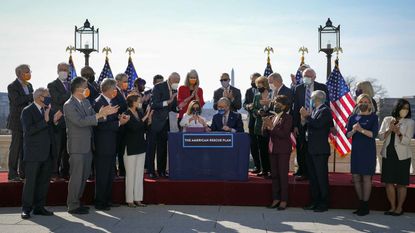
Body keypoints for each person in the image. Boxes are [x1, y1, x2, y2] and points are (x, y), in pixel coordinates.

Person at [64, 77, 118, 215]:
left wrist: (104, 114)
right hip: (77, 147)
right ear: (78, 89)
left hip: (88, 146)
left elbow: (94, 117)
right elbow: (80, 122)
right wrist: (100, 115)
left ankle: (78, 202)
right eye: (85, 86)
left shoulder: (86, 102)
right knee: (76, 177)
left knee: (83, 177)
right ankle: (72, 205)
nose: (88, 89)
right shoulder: (68, 105)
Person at [20, 88, 62, 219]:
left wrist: (54, 121)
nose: (49, 97)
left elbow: (52, 130)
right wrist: (44, 120)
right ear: (39, 97)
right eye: (47, 95)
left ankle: (39, 207)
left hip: (48, 153)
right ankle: (26, 209)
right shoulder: (27, 111)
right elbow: (29, 131)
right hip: (34, 153)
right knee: (31, 182)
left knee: (44, 182)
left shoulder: (47, 110)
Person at [93, 78, 130, 210]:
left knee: (109, 174)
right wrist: (119, 123)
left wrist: (119, 119)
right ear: (108, 89)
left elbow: (111, 120)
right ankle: (100, 202)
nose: (116, 91)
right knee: (102, 174)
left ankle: (107, 200)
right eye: (114, 89)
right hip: (102, 144)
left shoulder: (111, 101)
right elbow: (100, 125)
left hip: (111, 142)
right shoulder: (99, 103)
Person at [378, 99, 414, 216]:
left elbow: (407, 141)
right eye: (403, 107)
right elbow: (381, 137)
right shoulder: (387, 119)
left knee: (401, 183)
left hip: (403, 157)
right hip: (388, 155)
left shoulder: (410, 122)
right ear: (397, 108)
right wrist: (390, 129)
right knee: (388, 182)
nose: (405, 110)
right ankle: (392, 207)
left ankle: (399, 208)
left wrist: (398, 133)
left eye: (407, 108)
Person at [292, 68, 329, 181]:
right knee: (301, 147)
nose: (306, 78)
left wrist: (331, 125)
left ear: (314, 77)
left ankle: (313, 172)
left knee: (312, 148)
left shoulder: (322, 87)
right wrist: (295, 125)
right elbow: (295, 108)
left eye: (308, 75)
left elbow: (327, 106)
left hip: (316, 121)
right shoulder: (298, 88)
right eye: (304, 75)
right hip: (302, 122)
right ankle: (302, 170)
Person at [346, 94, 379, 216]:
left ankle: (365, 205)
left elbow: (374, 134)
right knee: (356, 177)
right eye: (361, 102)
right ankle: (361, 203)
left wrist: (361, 130)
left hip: (368, 151)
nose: (364, 103)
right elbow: (347, 135)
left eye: (366, 101)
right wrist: (354, 130)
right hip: (357, 152)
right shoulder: (352, 117)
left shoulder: (373, 117)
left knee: (366, 178)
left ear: (370, 104)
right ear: (357, 104)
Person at [300, 90, 333, 213]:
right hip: (311, 148)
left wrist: (307, 116)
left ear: (317, 99)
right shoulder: (314, 111)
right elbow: (309, 126)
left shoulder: (325, 111)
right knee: (313, 177)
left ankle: (324, 202)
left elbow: (318, 125)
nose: (311, 100)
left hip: (320, 150)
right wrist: (304, 119)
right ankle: (315, 201)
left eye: (312, 98)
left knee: (321, 177)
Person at [148, 72, 180, 178]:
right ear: (170, 79)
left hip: (166, 123)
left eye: (178, 82)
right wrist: (168, 101)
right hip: (155, 122)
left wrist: (178, 107)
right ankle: (151, 171)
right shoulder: (158, 87)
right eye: (176, 81)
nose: (177, 83)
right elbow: (153, 104)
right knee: (152, 148)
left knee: (162, 148)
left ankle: (161, 171)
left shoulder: (175, 90)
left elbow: (173, 107)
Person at [263, 95, 293, 211]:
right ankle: (276, 198)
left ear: (284, 106)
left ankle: (284, 200)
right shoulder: (272, 117)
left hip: (283, 150)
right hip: (272, 149)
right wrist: (265, 126)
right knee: (274, 175)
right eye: (274, 103)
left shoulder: (288, 118)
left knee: (282, 175)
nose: (275, 105)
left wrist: (272, 128)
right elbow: (265, 134)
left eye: (277, 104)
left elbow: (284, 134)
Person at [123, 94, 152, 207]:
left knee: (139, 174)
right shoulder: (126, 114)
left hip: (140, 146)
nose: (140, 103)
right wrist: (146, 117)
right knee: (130, 174)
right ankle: (129, 200)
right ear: (133, 102)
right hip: (130, 147)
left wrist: (148, 120)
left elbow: (143, 127)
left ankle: (138, 199)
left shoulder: (139, 112)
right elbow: (133, 127)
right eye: (139, 101)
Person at [7, 64, 34, 181]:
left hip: (27, 122)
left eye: (29, 71)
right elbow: (17, 101)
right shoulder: (12, 86)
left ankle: (23, 172)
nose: (29, 74)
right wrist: (31, 96)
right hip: (16, 122)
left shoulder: (29, 85)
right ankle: (12, 173)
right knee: (15, 148)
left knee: (25, 148)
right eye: (26, 72)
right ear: (19, 73)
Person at [47, 62, 71, 181]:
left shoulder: (72, 85)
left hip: (71, 122)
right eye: (61, 69)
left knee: (67, 150)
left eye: (65, 69)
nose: (63, 71)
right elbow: (58, 99)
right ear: (57, 71)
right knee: (58, 148)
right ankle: (54, 172)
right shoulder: (52, 85)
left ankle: (65, 172)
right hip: (59, 121)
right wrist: (72, 93)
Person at [252, 76, 272, 177]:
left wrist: (267, 109)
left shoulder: (272, 94)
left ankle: (271, 170)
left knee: (270, 149)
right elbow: (253, 110)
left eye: (260, 85)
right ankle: (263, 169)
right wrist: (258, 112)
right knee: (262, 149)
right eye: (257, 86)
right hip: (259, 126)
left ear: (265, 84)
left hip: (271, 125)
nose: (259, 87)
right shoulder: (256, 96)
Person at [243, 72, 262, 173]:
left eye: (254, 80)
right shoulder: (249, 91)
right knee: (253, 144)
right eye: (251, 80)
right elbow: (244, 104)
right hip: (252, 122)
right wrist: (248, 106)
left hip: (262, 122)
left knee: (262, 145)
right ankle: (257, 166)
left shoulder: (265, 91)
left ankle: (264, 167)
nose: (252, 82)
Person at [113, 73, 129, 177]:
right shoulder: (114, 92)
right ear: (118, 81)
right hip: (117, 125)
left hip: (124, 126)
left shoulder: (123, 92)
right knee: (116, 150)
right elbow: (116, 106)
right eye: (124, 81)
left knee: (122, 150)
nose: (126, 83)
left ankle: (122, 171)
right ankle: (115, 171)